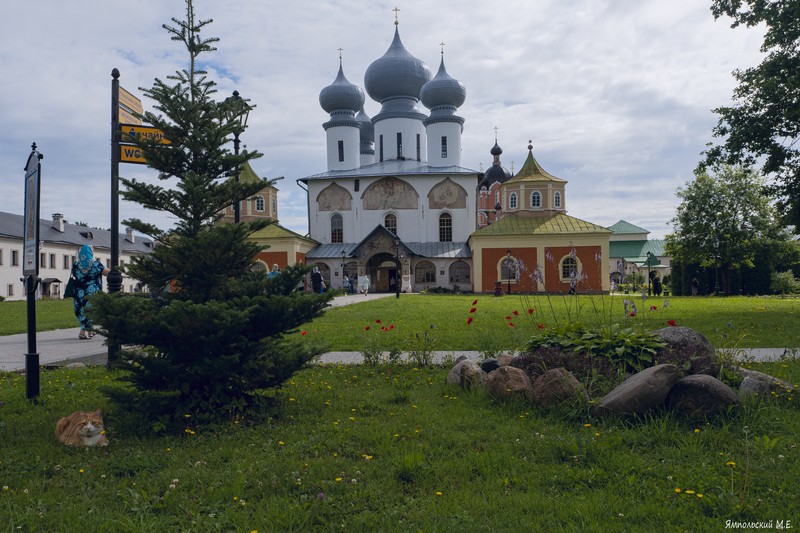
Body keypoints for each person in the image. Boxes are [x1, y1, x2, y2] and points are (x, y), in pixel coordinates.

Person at [70, 244, 109, 339]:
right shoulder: (96, 265)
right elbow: (108, 273)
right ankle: (82, 333)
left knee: (82, 312)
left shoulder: (75, 265)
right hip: (91, 293)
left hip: (79, 294)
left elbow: (74, 275)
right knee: (89, 312)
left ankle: (90, 332)